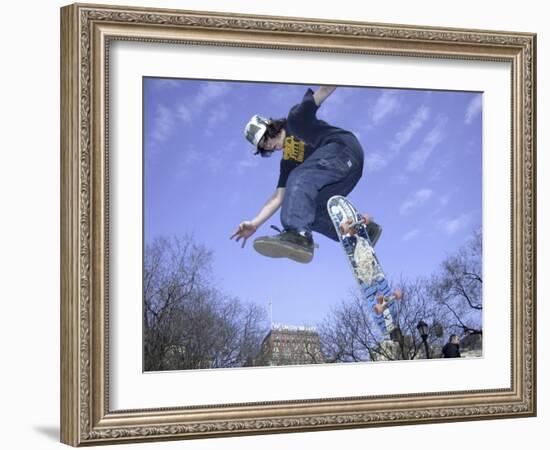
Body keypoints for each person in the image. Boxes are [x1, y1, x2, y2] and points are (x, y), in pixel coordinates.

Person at [231, 86, 381, 263]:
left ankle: (298, 234)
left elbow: (322, 93)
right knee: (311, 212)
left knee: (299, 177)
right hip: (345, 176)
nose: (268, 147)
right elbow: (279, 197)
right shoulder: (287, 162)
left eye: (266, 141)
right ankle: (361, 232)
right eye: (263, 148)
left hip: (343, 149)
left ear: (270, 127)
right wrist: (255, 223)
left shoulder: (295, 120)